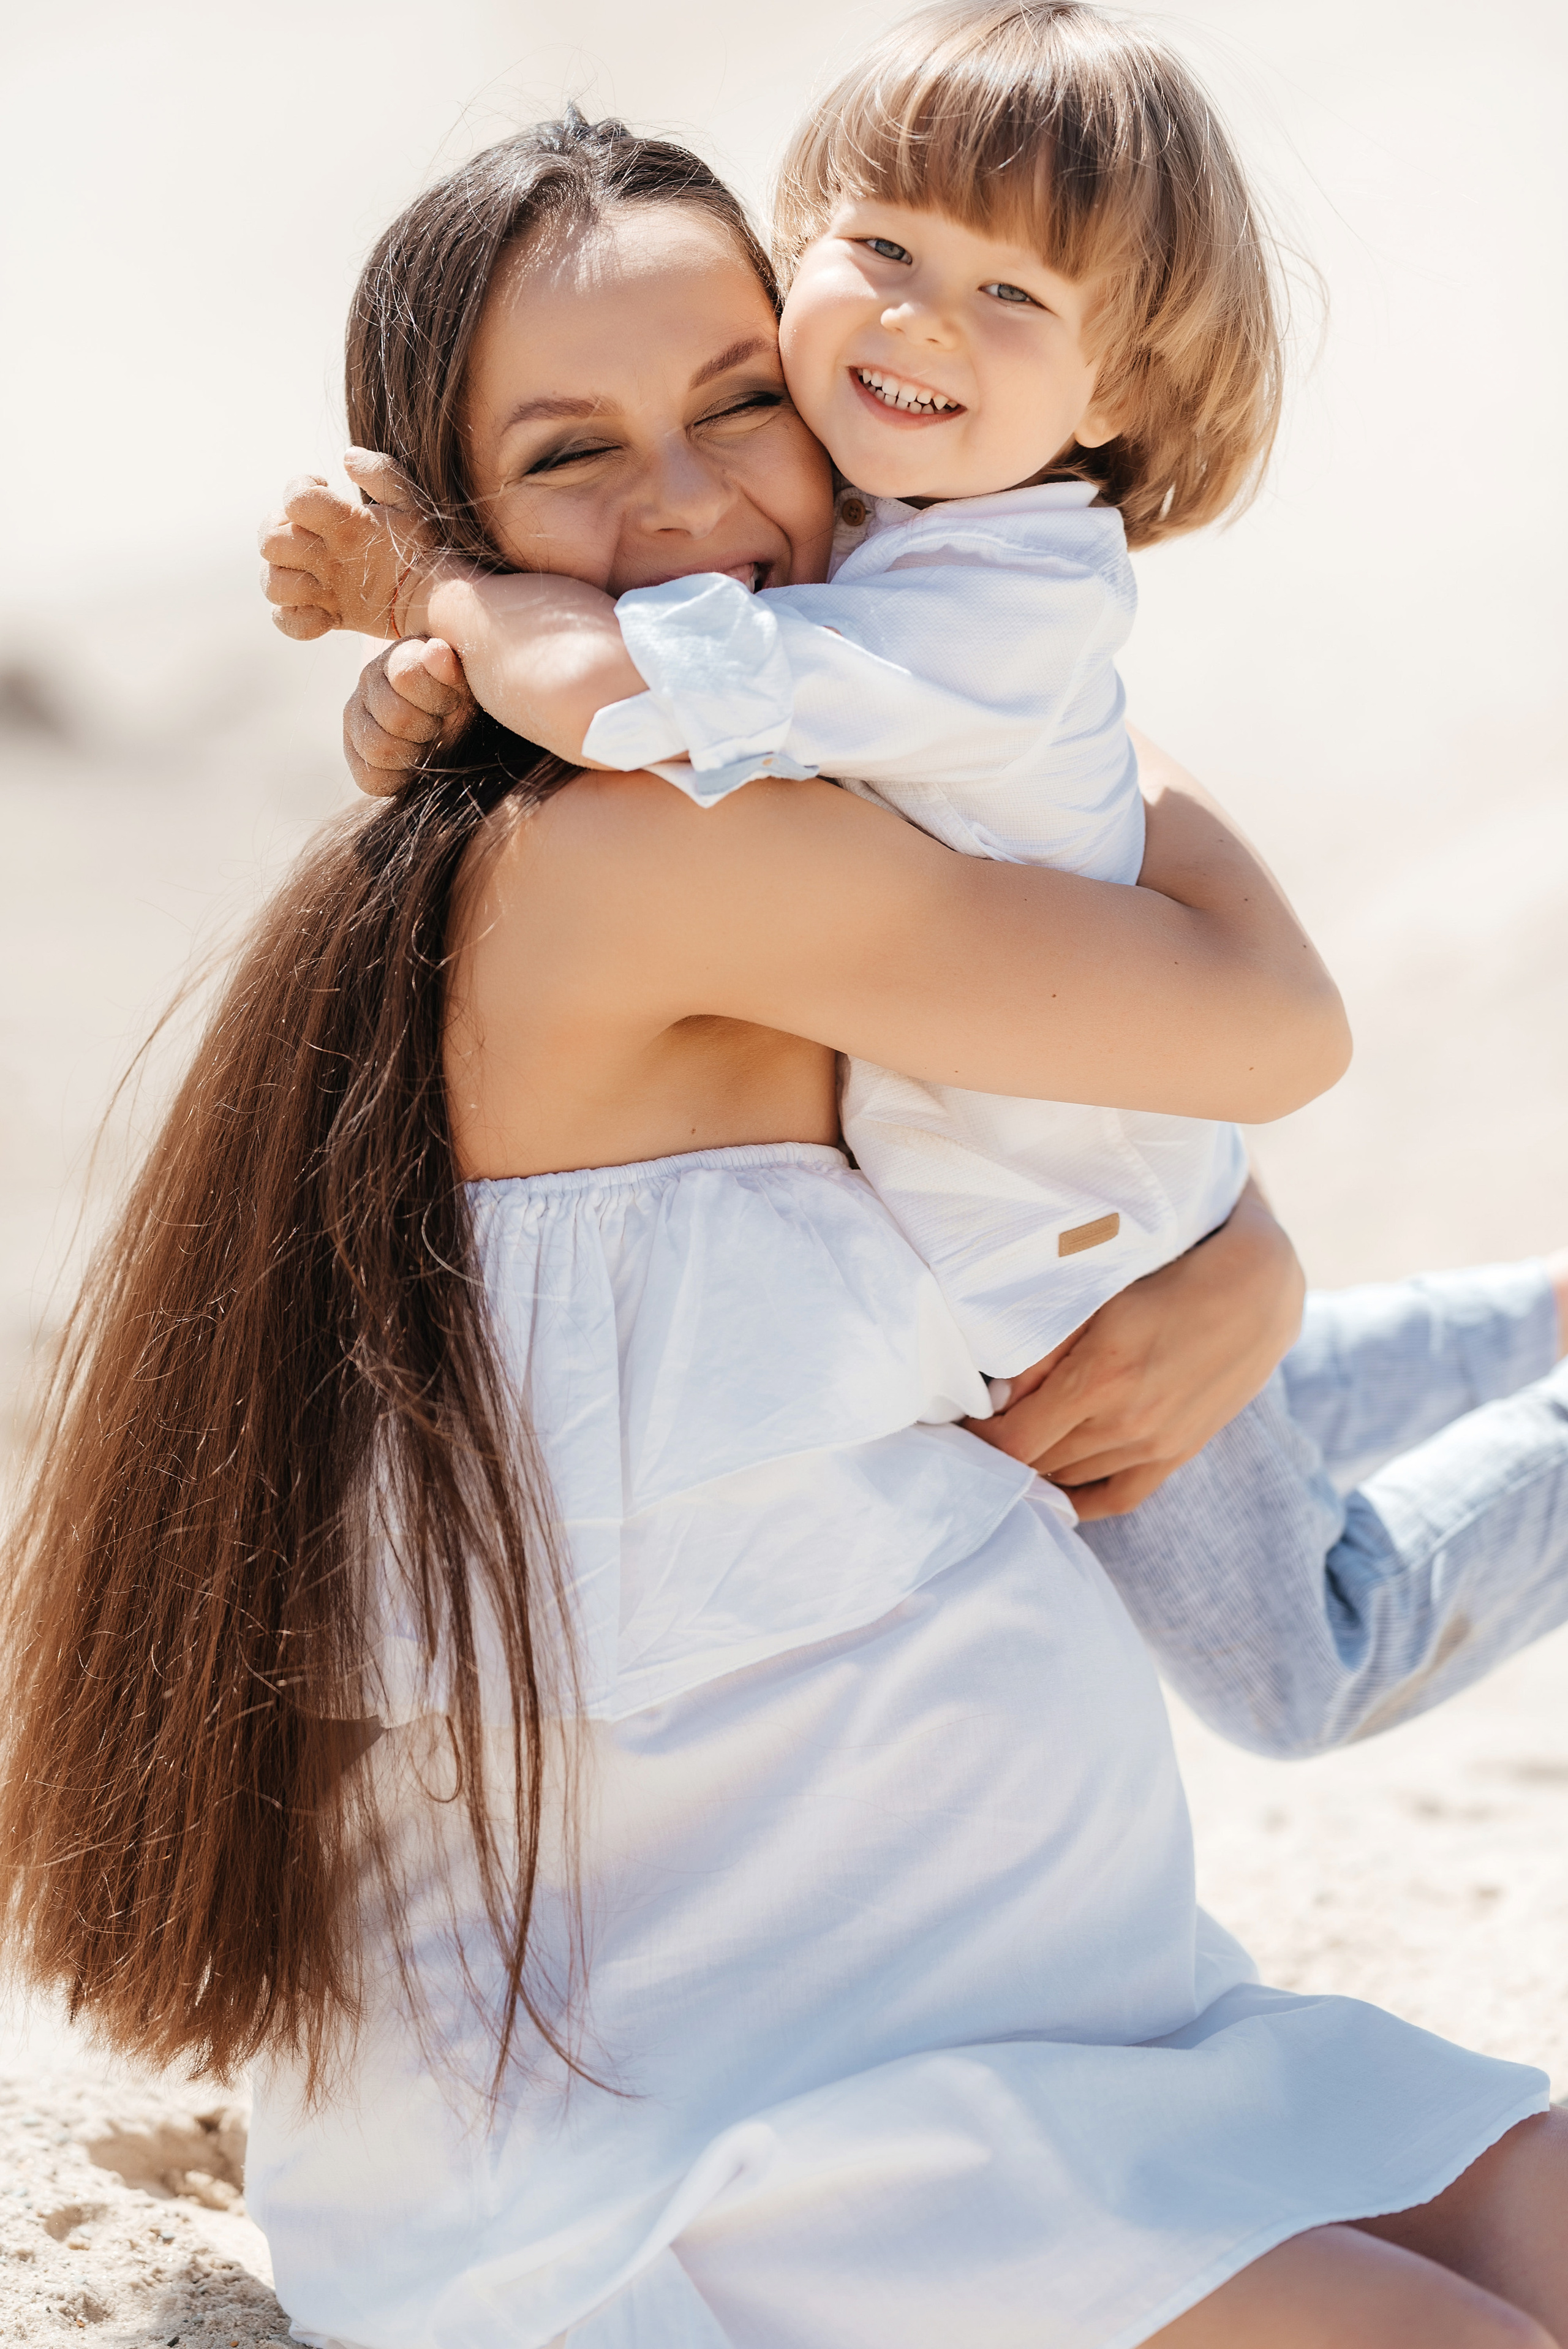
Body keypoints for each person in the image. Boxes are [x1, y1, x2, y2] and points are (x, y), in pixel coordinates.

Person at [201, 104, 1568, 2349]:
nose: (680, 509)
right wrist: (465, 609)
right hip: (737, 2101)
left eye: (738, 402)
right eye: (571, 456)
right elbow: (1261, 1014)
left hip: (1015, 1994)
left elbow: (1079, 1076)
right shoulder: (667, 846)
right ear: (465, 523)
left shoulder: (806, 777)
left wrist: (1254, 1271)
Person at [278, 0, 1568, 1764]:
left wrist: (431, 581)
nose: (917, 321)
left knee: (1307, 1663)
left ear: (1112, 389)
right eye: (881, 248)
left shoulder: (960, 607)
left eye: (1012, 298)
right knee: (1262, 1405)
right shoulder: (898, 533)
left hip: (1061, 1256)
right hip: (1061, 1246)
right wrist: (418, 691)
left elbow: (620, 689)